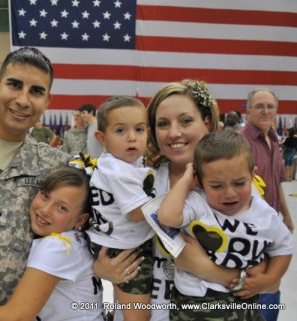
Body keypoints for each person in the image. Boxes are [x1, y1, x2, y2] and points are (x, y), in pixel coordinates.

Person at [116, 79, 268, 321]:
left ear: (206, 123)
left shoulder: (235, 189)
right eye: (163, 124)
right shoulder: (136, 184)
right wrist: (101, 268)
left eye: (186, 121)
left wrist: (207, 269)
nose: (174, 132)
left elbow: (266, 275)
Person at [158, 130, 293, 321]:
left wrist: (269, 279)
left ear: (253, 175)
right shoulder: (199, 203)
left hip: (245, 302)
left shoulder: (265, 214)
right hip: (195, 304)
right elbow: (167, 217)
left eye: (239, 183)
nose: (229, 193)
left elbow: (284, 247)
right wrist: (187, 179)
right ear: (199, 181)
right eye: (217, 186)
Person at [0, 166, 103, 321]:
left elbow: (17, 315)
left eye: (62, 208)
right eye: (45, 196)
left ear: (80, 220)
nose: (46, 210)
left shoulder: (57, 246)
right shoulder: (76, 239)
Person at [87, 96, 155, 321]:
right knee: (138, 314)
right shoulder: (116, 169)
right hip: (122, 249)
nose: (132, 137)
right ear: (101, 138)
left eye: (139, 129)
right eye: (120, 131)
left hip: (122, 240)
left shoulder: (130, 163)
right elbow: (137, 212)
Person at [238, 88, 294, 321]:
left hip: (271, 226)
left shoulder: (273, 140)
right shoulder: (241, 142)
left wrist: (287, 217)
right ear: (248, 110)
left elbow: (276, 182)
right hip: (248, 229)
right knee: (254, 286)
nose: (265, 111)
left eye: (270, 107)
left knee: (271, 284)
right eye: (259, 106)